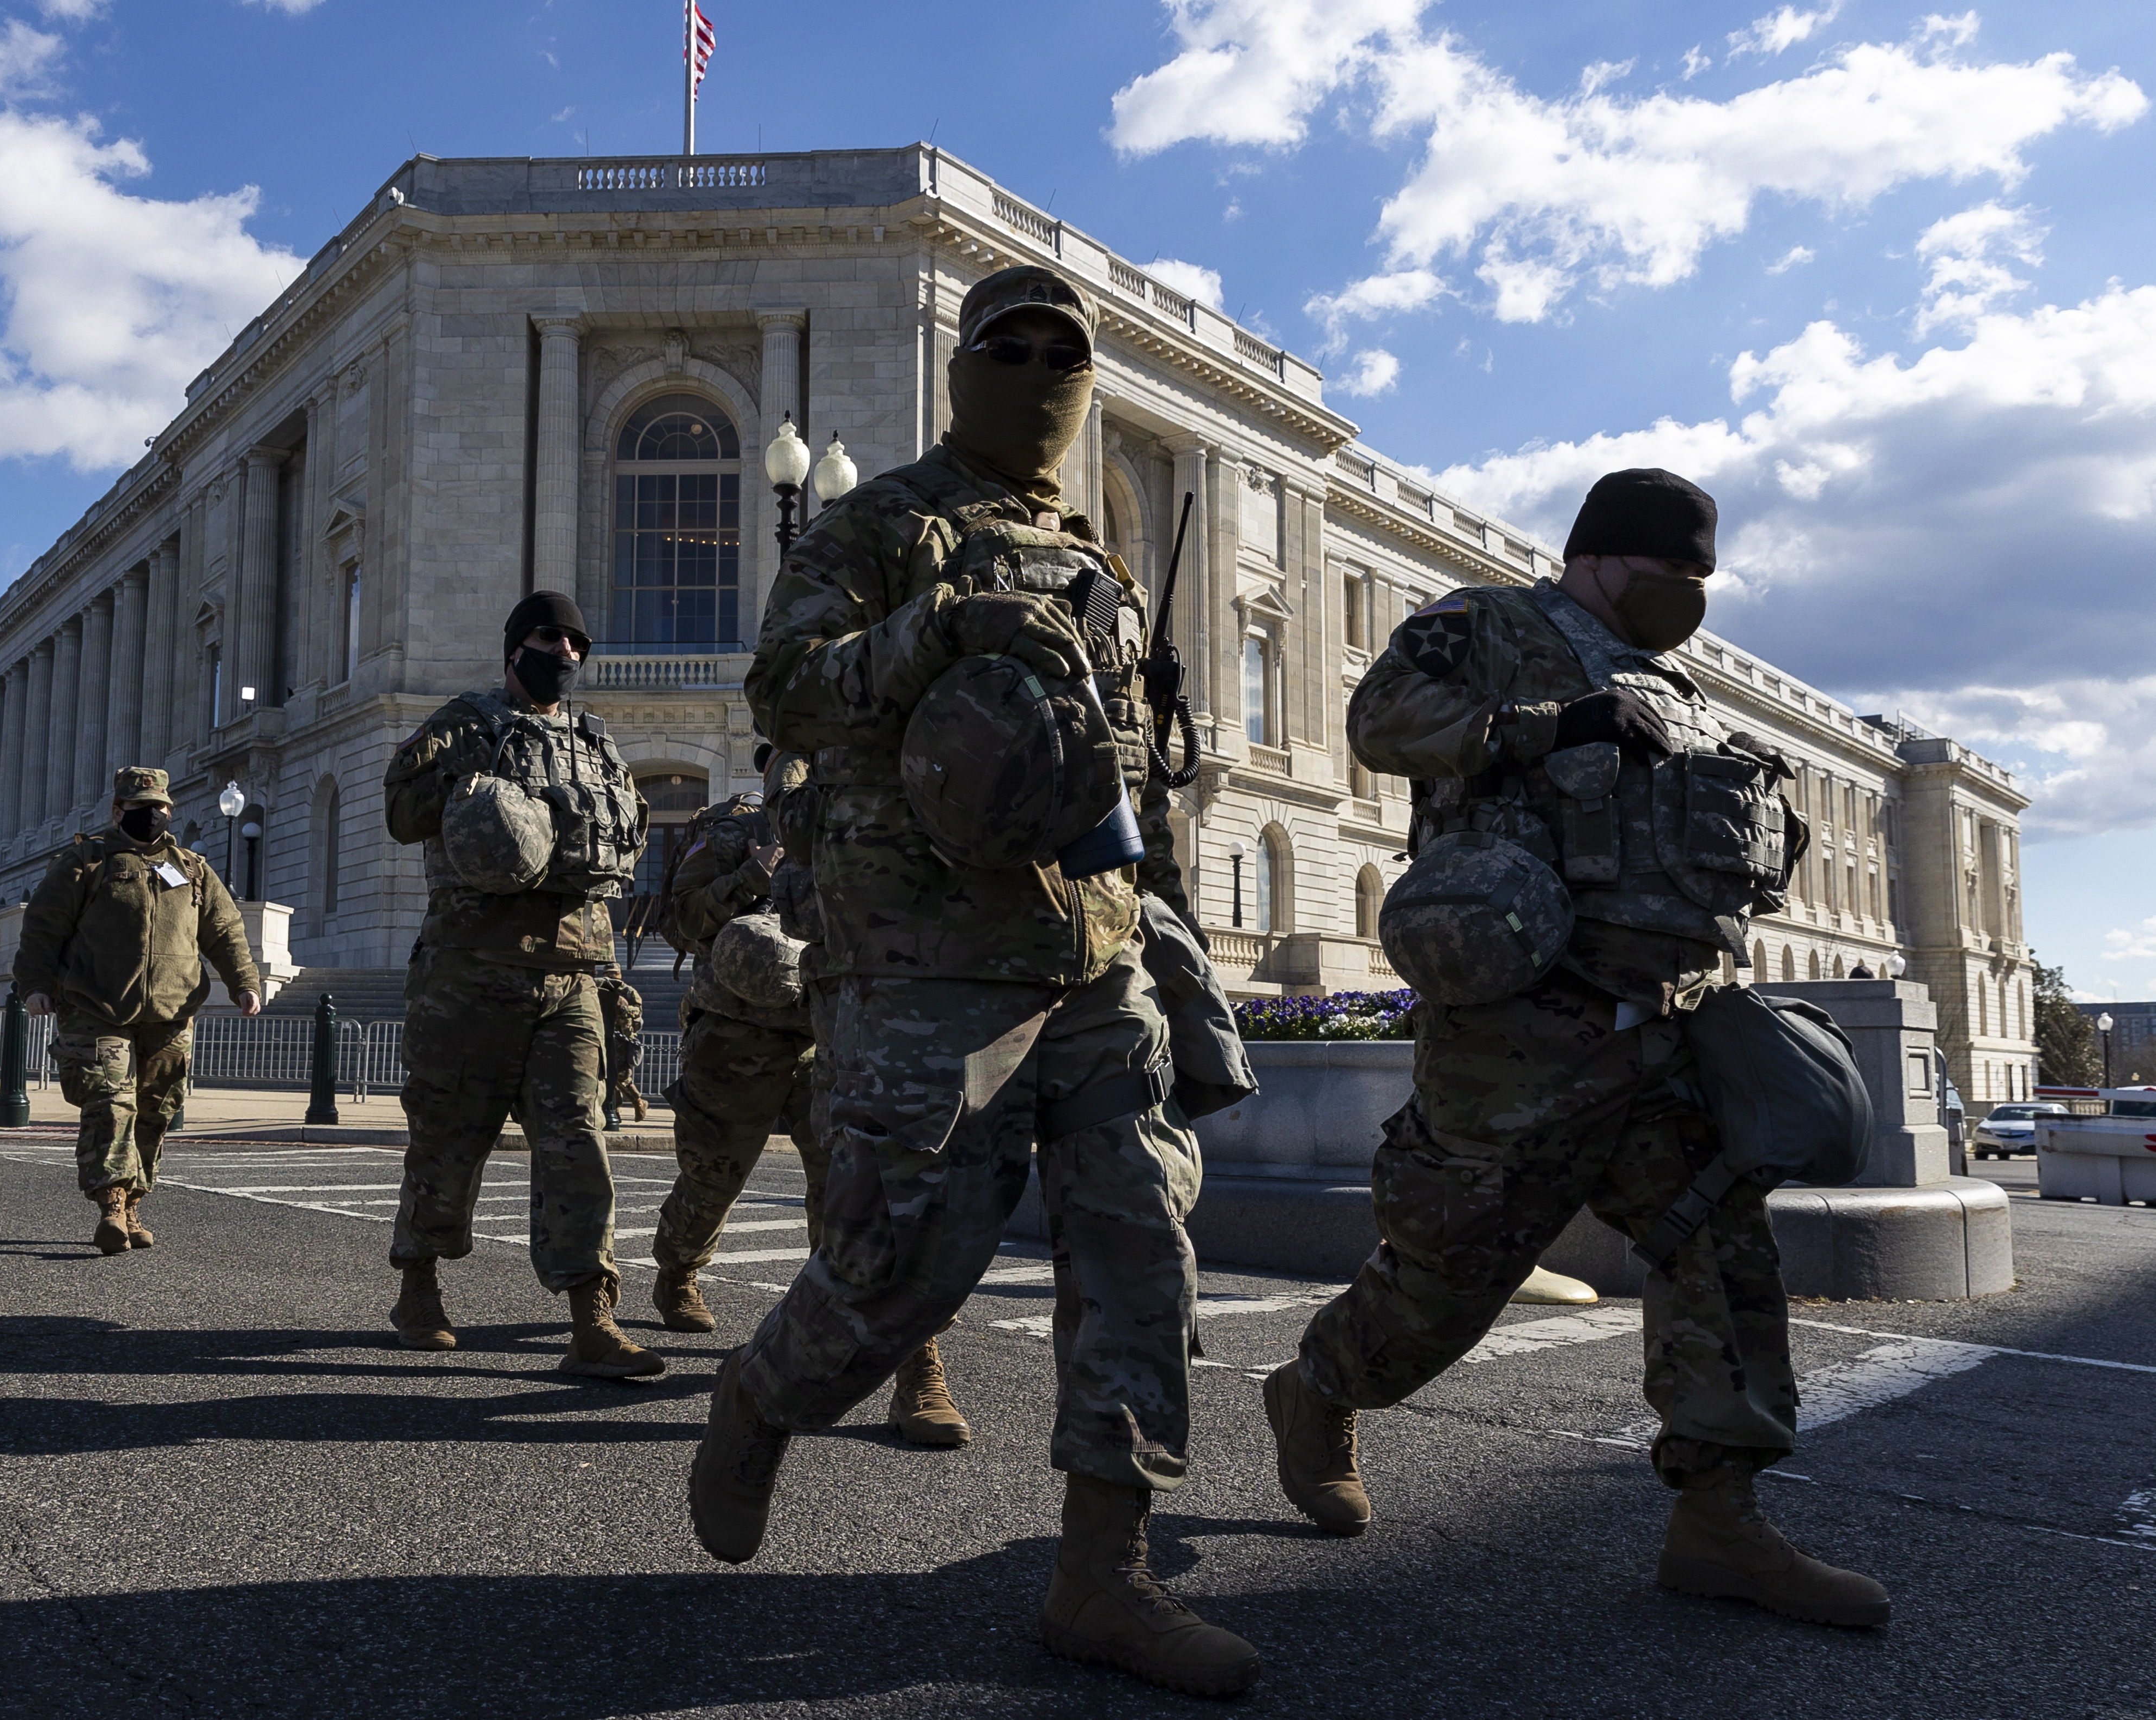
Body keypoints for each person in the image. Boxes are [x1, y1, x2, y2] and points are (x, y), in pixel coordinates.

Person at [687, 265, 1257, 1698]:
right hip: (928, 964)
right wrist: (933, 628)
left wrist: (1166, 942)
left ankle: (1100, 1573)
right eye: (1010, 344)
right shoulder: (882, 525)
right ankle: (762, 1390)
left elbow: (1120, 772)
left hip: (1092, 959)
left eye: (1063, 349)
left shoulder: (1105, 567)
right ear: (965, 366)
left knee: (1140, 1244)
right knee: (898, 1270)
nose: (1040, 369)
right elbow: (784, 692)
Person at [1264, 468, 1890, 1628]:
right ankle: (1318, 1385)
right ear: (1597, 557)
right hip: (1521, 1027)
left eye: (1704, 576)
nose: (1688, 593)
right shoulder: (1487, 626)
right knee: (1447, 1280)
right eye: (1670, 571)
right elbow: (1377, 722)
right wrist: (1545, 727)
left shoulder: (1679, 687)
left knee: (1721, 1257)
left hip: (1669, 1030)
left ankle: (1719, 1521)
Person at [648, 746, 971, 1446]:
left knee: (865, 1203)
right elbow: (678, 923)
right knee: (712, 1180)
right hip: (736, 1037)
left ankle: (917, 1370)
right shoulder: (731, 827)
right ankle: (677, 1268)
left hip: (837, 1037)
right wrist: (748, 877)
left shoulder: (869, 823)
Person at [381, 591, 664, 1380]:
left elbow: (631, 829)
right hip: (472, 970)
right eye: (550, 638)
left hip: (573, 972)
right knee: (448, 1137)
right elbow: (402, 815)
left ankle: (590, 1320)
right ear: (515, 647)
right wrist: (486, 798)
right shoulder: (461, 724)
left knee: (579, 1143)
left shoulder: (596, 744)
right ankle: (418, 1287)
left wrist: (564, 818)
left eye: (577, 641)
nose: (565, 653)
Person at [13, 767, 262, 1253]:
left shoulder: (190, 868)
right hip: (95, 1006)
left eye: (161, 808)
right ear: (117, 811)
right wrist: (36, 985)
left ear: (170, 811)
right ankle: (110, 1203)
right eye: (140, 807)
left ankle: (132, 1202)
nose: (152, 815)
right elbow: (43, 928)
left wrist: (244, 984)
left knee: (155, 1111)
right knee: (109, 1105)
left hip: (170, 1013)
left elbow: (225, 931)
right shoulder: (86, 862)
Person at [596, 962, 648, 1129]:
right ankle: (615, 1112)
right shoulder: (601, 990)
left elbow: (638, 1010)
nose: (611, 978)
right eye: (608, 975)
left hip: (624, 1038)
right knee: (609, 1076)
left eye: (613, 975)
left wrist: (624, 1009)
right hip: (606, 1035)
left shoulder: (628, 991)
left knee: (621, 1075)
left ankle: (638, 1100)